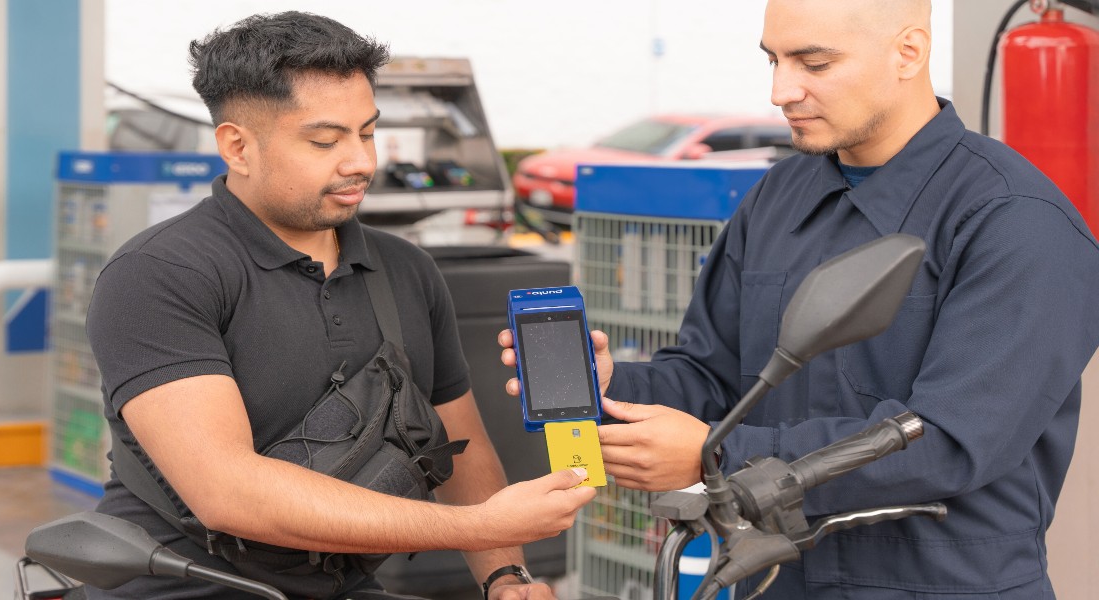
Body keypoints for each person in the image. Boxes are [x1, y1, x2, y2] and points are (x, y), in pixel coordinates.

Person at [500, 0, 1099, 597]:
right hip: (774, 578)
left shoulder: (1015, 220)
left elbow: (950, 442)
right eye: (774, 60)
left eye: (815, 64)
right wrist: (608, 386)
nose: (780, 92)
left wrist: (716, 456)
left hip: (942, 585)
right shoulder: (777, 198)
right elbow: (714, 377)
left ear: (908, 53)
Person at [85, 12, 595, 600]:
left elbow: (464, 448)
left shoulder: (406, 270)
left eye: (368, 133)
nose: (361, 163)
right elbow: (228, 493)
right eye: (325, 141)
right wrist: (478, 526)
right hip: (180, 586)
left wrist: (505, 577)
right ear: (237, 147)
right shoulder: (158, 274)